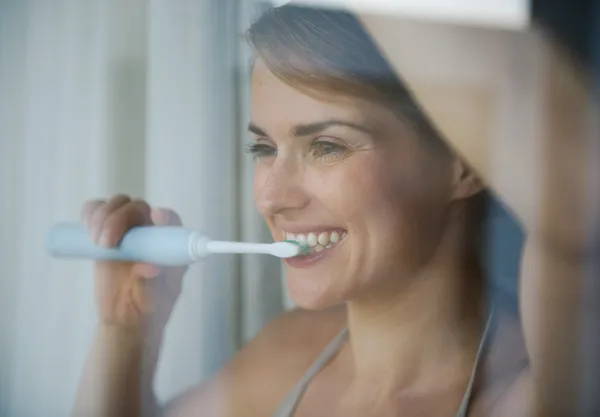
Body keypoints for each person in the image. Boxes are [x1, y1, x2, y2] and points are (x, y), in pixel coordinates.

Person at [72, 4, 599, 417]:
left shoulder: (531, 392)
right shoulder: (288, 352)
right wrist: (127, 333)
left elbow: (580, 199)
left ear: (463, 163)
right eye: (264, 149)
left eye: (327, 146)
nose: (271, 196)